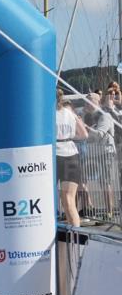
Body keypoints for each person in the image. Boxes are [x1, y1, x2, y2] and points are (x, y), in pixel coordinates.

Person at [56, 88, 88, 227]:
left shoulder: (47, 114)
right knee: (69, 200)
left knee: (53, 198)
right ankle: (77, 236)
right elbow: (84, 135)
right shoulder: (70, 113)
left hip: (55, 154)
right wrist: (69, 137)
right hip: (71, 154)